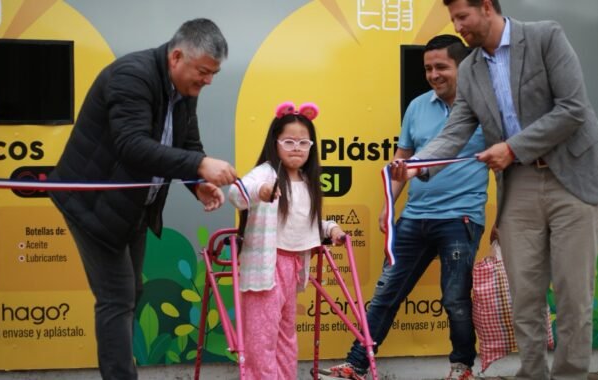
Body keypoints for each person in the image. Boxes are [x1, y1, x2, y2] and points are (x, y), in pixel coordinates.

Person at [395, 1, 598, 379]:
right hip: (518, 184)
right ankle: (532, 373)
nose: (457, 26)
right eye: (453, 18)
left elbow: (572, 109)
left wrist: (512, 147)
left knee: (573, 296)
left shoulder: (545, 36)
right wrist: (414, 166)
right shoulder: (470, 69)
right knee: (524, 295)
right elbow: (454, 133)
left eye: (462, 17)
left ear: (486, 7)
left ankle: (570, 375)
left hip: (573, 177)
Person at [48, 19, 236, 380]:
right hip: (92, 205)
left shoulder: (185, 89)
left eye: (213, 74)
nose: (208, 81)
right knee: (117, 298)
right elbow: (132, 146)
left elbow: (186, 144)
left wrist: (196, 182)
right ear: (177, 56)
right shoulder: (131, 76)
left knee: (131, 291)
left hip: (131, 206)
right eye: (203, 72)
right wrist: (200, 165)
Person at [320, 35, 486, 380]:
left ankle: (462, 368)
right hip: (413, 218)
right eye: (428, 68)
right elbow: (403, 161)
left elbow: (505, 164)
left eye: (441, 66)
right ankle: (356, 365)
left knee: (455, 300)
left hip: (461, 218)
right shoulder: (417, 106)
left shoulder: (484, 109)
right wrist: (388, 204)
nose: (433, 74)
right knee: (384, 294)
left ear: (463, 67)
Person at [228, 101, 345, 379]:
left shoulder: (307, 180)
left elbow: (308, 221)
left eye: (304, 142)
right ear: (275, 142)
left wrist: (332, 230)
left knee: (285, 333)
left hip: (292, 266)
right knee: (261, 336)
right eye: (289, 141)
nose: (296, 148)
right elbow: (236, 193)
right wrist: (262, 191)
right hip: (266, 268)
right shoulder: (266, 173)